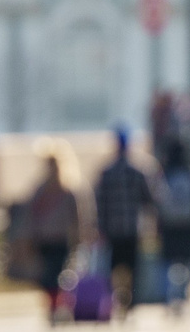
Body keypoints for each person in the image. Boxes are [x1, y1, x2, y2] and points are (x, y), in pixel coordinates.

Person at [93, 128, 153, 317]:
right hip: (132, 228)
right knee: (132, 267)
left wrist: (99, 227)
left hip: (112, 229)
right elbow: (149, 199)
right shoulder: (138, 171)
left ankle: (112, 300)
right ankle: (130, 302)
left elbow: (99, 203)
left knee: (112, 267)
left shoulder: (106, 172)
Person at [24, 151, 82, 321]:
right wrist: (30, 237)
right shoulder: (40, 191)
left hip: (61, 239)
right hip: (44, 239)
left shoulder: (67, 190)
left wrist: (78, 236)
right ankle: (54, 305)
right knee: (47, 276)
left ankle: (58, 306)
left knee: (59, 274)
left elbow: (76, 216)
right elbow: (31, 216)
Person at [154, 135, 190, 316]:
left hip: (169, 224)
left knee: (167, 262)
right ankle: (183, 295)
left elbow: (158, 201)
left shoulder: (165, 174)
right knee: (187, 261)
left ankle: (168, 296)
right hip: (188, 223)